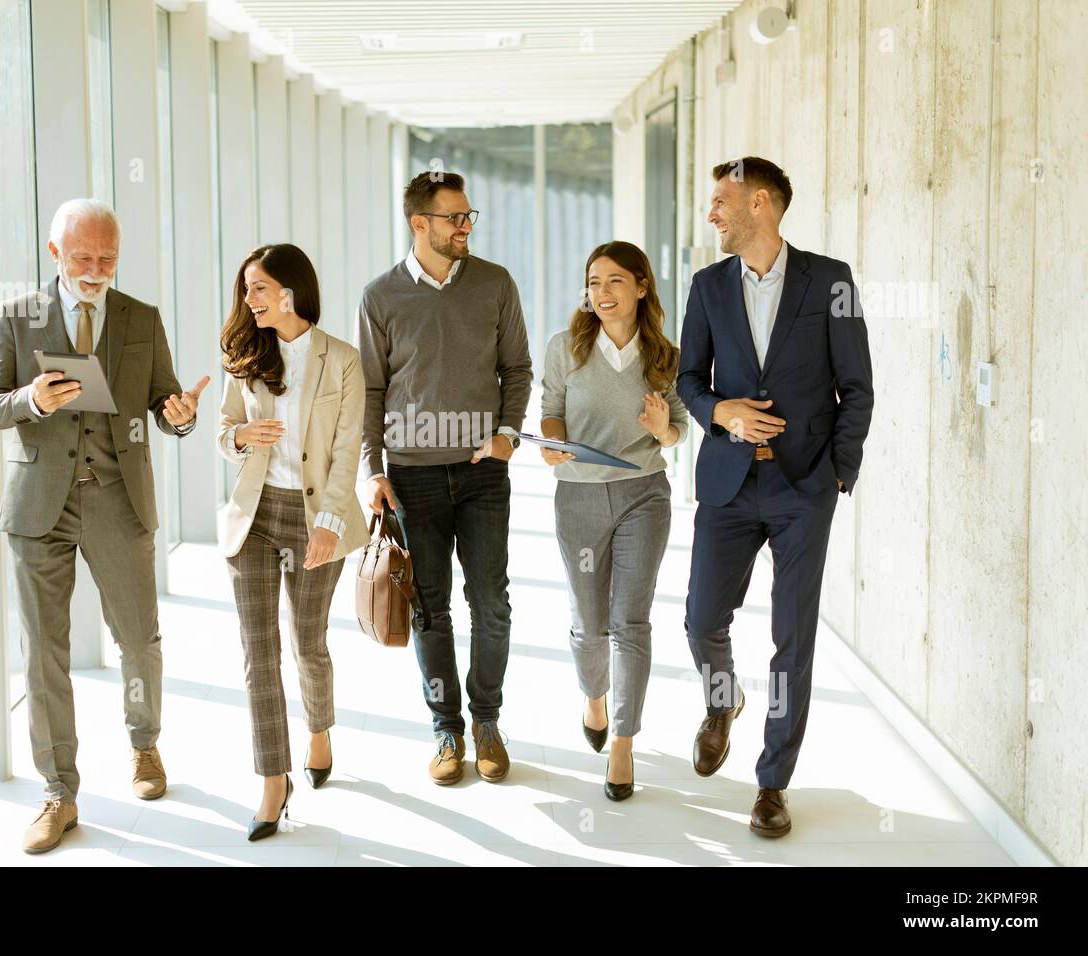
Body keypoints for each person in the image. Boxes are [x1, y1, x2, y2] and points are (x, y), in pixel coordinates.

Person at [0, 198, 207, 853]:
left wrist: (181, 413)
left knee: (138, 638)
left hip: (118, 501)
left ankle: (144, 746)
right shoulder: (16, 316)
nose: (97, 269)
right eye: (84, 258)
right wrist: (29, 399)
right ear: (55, 253)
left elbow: (166, 405)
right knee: (43, 655)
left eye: (108, 258)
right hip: (38, 506)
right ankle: (58, 793)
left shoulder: (141, 318)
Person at [676, 157, 873, 837]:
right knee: (703, 619)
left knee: (793, 640)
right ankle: (721, 703)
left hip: (801, 487)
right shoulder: (706, 286)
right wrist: (720, 412)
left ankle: (771, 783)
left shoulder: (832, 281)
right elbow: (687, 381)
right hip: (728, 483)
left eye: (720, 201)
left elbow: (858, 386)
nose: (713, 214)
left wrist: (838, 474)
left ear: (759, 203)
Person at [357, 171, 533, 785]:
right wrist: (371, 468)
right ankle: (446, 728)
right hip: (411, 477)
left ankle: (486, 720)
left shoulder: (495, 283)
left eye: (468, 216)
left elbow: (517, 368)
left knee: (491, 604)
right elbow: (372, 389)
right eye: (454, 217)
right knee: (431, 610)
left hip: (483, 473)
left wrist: (508, 433)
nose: (466, 226)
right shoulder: (380, 296)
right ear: (419, 223)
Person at [217, 243, 370, 841]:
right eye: (246, 289)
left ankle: (319, 730)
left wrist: (330, 524)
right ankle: (272, 782)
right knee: (259, 653)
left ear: (291, 291)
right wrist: (241, 436)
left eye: (259, 288)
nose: (249, 300)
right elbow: (225, 433)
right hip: (254, 516)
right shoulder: (244, 354)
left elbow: (346, 450)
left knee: (308, 643)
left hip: (316, 518)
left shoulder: (343, 361)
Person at [539, 240, 688, 801]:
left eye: (614, 282)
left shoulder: (664, 356)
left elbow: (677, 429)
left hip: (642, 495)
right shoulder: (566, 348)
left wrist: (660, 428)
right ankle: (594, 695)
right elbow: (551, 412)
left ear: (642, 288)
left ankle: (624, 742)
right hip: (578, 495)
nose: (601, 293)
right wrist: (552, 444)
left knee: (632, 622)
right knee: (589, 623)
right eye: (593, 282)